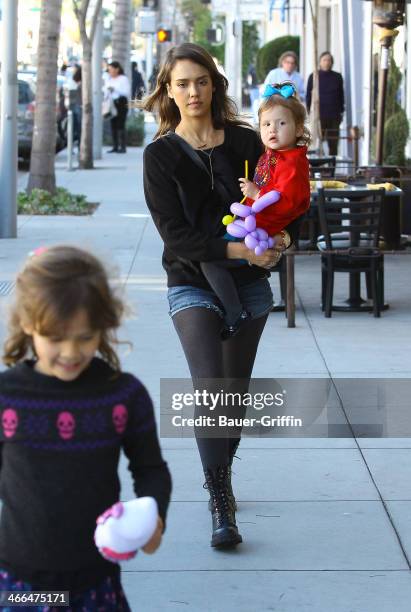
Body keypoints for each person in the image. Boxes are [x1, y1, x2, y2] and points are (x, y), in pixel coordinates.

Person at [142, 43, 299, 549]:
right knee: (211, 387)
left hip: (249, 286)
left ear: (215, 85)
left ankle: (220, 466)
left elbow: (283, 204)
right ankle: (220, 498)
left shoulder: (249, 142)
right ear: (169, 90)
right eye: (182, 83)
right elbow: (177, 236)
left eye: (201, 81)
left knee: (232, 394)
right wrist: (241, 252)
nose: (193, 91)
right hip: (191, 278)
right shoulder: (160, 155)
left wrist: (283, 239)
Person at [0, 245, 172, 610]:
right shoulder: (7, 396)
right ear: (30, 324)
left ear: (103, 327)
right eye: (56, 338)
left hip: (96, 581)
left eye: (84, 337)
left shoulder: (122, 396)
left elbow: (150, 468)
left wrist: (154, 517)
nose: (70, 352)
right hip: (18, 582)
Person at [201, 81, 311, 336]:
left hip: (262, 229)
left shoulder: (292, 163)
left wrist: (256, 193)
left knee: (211, 261)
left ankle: (235, 311)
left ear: (298, 129)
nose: (273, 129)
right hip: (253, 222)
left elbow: (291, 202)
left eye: (282, 123)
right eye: (266, 124)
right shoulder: (274, 153)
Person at [306, 52, 345, 155]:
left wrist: (341, 112)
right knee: (316, 143)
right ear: (320, 62)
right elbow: (308, 96)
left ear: (332, 62)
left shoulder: (337, 77)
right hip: (319, 114)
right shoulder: (314, 76)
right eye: (324, 60)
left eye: (329, 60)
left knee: (333, 143)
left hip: (334, 115)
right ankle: (319, 167)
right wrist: (309, 112)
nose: (327, 62)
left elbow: (341, 95)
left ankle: (331, 168)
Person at [105, 61, 131, 153]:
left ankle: (122, 146)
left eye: (112, 69)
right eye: (109, 70)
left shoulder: (123, 79)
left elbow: (126, 92)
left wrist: (115, 89)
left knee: (121, 124)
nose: (110, 72)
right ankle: (115, 146)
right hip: (112, 103)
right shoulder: (109, 80)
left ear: (117, 69)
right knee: (113, 124)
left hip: (121, 103)